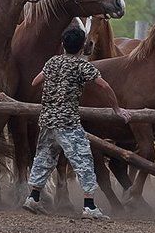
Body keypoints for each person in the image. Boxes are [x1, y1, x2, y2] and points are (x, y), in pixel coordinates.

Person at [23, 27, 131, 219]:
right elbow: (104, 85)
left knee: (43, 159)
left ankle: (33, 197)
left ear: (63, 44)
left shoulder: (51, 62)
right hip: (67, 123)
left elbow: (35, 82)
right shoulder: (82, 66)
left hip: (47, 120)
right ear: (82, 47)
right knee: (84, 162)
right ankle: (89, 206)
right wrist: (117, 109)